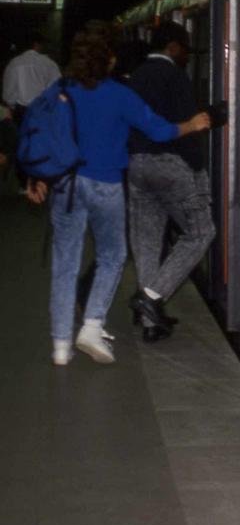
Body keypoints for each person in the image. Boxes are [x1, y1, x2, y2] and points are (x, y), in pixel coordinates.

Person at [25, 21, 210, 366]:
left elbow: (37, 128)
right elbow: (160, 131)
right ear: (109, 58)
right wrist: (193, 124)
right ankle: (92, 326)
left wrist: (36, 178)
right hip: (106, 185)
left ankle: (60, 347)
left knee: (65, 264)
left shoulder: (60, 89)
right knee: (112, 256)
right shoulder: (119, 94)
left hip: (65, 185)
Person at [126, 21, 215, 341]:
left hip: (137, 165)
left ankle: (151, 324)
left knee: (147, 244)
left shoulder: (137, 76)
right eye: (185, 49)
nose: (187, 56)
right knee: (201, 233)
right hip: (171, 167)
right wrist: (198, 171)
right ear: (173, 47)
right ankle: (150, 298)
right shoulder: (175, 76)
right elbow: (187, 130)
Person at [3, 31, 62, 189]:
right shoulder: (49, 63)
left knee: (23, 146)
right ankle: (42, 180)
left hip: (22, 111)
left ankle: (24, 183)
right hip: (43, 110)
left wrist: (12, 107)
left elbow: (8, 93)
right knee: (43, 145)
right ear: (37, 45)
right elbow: (57, 88)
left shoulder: (14, 63)